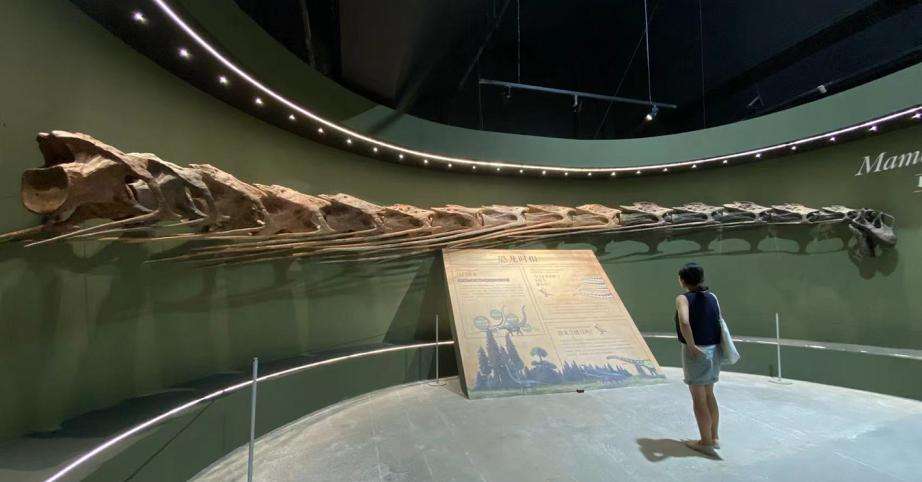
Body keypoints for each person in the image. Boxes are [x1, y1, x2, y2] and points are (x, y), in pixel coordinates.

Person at [674, 262, 722, 456]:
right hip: (713, 351)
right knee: (709, 394)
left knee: (699, 398)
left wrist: (692, 346)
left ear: (683, 280)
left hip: (697, 352)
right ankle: (714, 437)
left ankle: (705, 441)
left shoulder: (683, 298)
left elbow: (684, 321)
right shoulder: (712, 296)